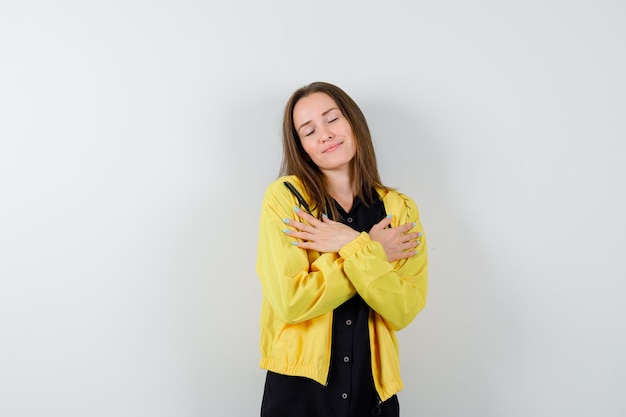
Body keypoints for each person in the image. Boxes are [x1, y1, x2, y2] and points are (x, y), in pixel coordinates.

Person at [256, 82, 428, 417]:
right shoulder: (286, 199)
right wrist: (369, 249)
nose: (324, 135)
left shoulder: (400, 210)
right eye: (308, 131)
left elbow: (403, 309)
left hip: (373, 396)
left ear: (353, 122)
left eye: (332, 119)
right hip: (298, 397)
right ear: (302, 147)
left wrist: (349, 243)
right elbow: (291, 302)